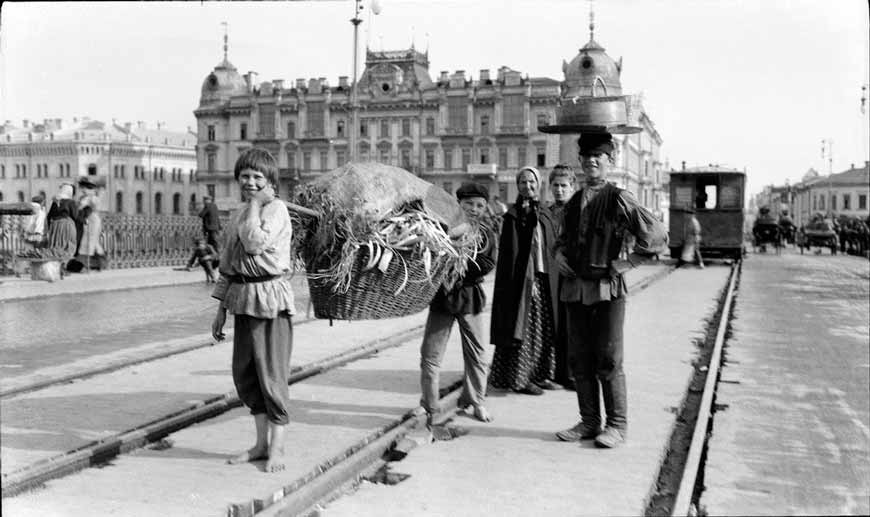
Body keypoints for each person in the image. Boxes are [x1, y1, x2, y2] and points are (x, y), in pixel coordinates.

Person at [553, 132, 667, 448]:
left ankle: (617, 426)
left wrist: (628, 262)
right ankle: (589, 422)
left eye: (598, 156)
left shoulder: (620, 198)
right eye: (586, 156)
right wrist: (559, 255)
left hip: (607, 290)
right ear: (580, 161)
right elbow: (560, 240)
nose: (591, 161)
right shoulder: (573, 200)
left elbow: (657, 235)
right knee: (580, 359)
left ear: (609, 161)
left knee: (609, 359)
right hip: (575, 289)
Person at [211, 147, 295, 473]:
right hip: (243, 299)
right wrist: (220, 310)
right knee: (246, 375)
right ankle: (260, 444)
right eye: (244, 176)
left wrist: (257, 205)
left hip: (271, 300)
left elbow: (255, 243)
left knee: (271, 375)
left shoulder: (276, 210)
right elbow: (229, 265)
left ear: (270, 182)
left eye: (257, 177)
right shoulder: (238, 214)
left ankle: (278, 449)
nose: (249, 182)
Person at [420, 182, 497, 426]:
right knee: (430, 356)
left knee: (477, 355)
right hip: (442, 298)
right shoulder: (442, 229)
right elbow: (429, 257)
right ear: (459, 205)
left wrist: (456, 262)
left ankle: (476, 402)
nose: (474, 209)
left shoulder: (486, 235)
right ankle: (430, 405)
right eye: (469, 204)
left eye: (479, 206)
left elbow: (486, 264)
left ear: (485, 208)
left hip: (470, 298)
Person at [488, 166, 560, 395]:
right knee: (524, 330)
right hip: (523, 282)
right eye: (522, 183)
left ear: (539, 184)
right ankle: (521, 378)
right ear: (517, 186)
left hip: (545, 277)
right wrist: (527, 282)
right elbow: (513, 255)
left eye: (531, 182)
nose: (527, 186)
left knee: (545, 330)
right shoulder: (513, 216)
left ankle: (542, 374)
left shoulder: (546, 212)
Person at [546, 164, 577, 390]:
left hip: (573, 275)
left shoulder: (579, 211)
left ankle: (573, 374)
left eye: (564, 186)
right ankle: (555, 372)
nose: (559, 190)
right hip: (550, 275)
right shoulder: (546, 213)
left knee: (574, 325)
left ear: (572, 187)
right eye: (555, 185)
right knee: (554, 324)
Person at [45, 183, 79, 271]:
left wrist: (49, 228)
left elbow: (49, 216)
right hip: (67, 226)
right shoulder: (71, 202)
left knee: (56, 246)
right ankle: (63, 266)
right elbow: (75, 216)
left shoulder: (55, 201)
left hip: (55, 226)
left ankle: (55, 267)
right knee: (68, 245)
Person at [76, 177, 106, 271]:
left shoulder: (89, 197)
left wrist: (80, 204)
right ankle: (99, 263)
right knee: (94, 241)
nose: (82, 190)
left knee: (88, 241)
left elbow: (80, 207)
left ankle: (87, 263)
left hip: (91, 220)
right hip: (93, 219)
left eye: (83, 188)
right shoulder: (92, 196)